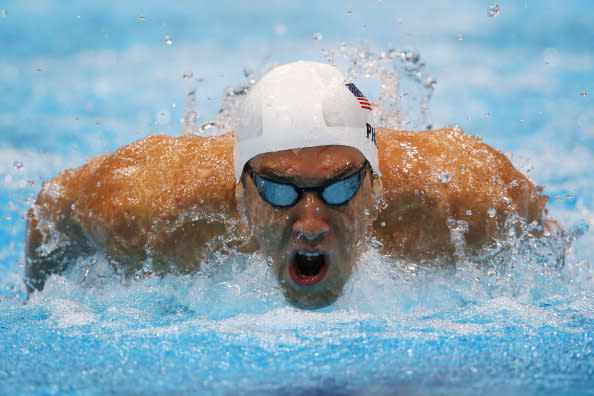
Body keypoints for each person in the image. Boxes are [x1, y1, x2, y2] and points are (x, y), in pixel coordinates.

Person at [25, 61, 548, 309]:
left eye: (340, 188)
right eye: (279, 191)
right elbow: (47, 211)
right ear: (239, 192)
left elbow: (544, 242)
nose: (312, 223)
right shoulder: (147, 210)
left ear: (376, 184)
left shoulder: (465, 197)